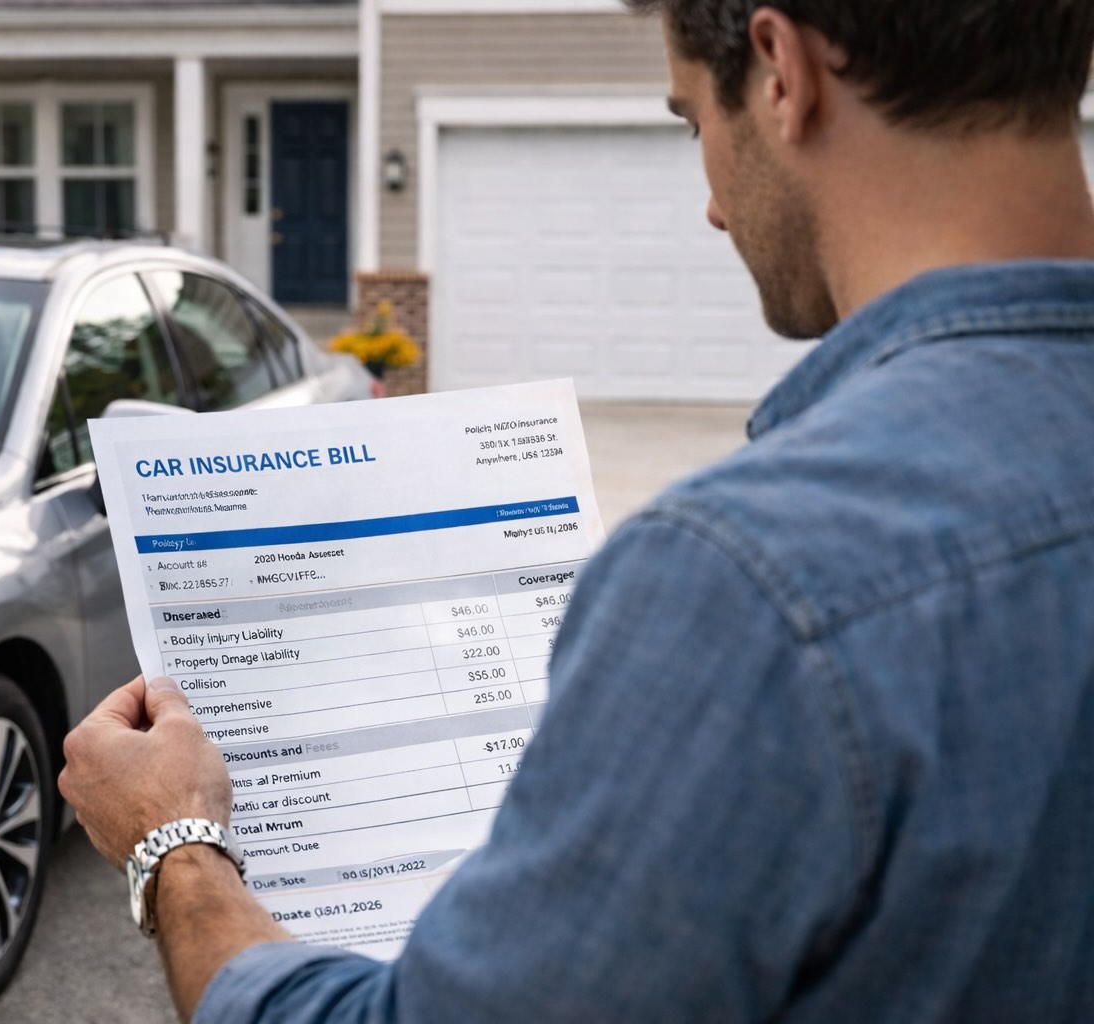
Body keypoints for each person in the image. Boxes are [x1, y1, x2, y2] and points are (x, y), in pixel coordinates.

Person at [58, 1, 1094, 1020]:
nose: (714, 207)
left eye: (693, 122)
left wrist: (175, 847)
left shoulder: (751, 580)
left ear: (782, 71)